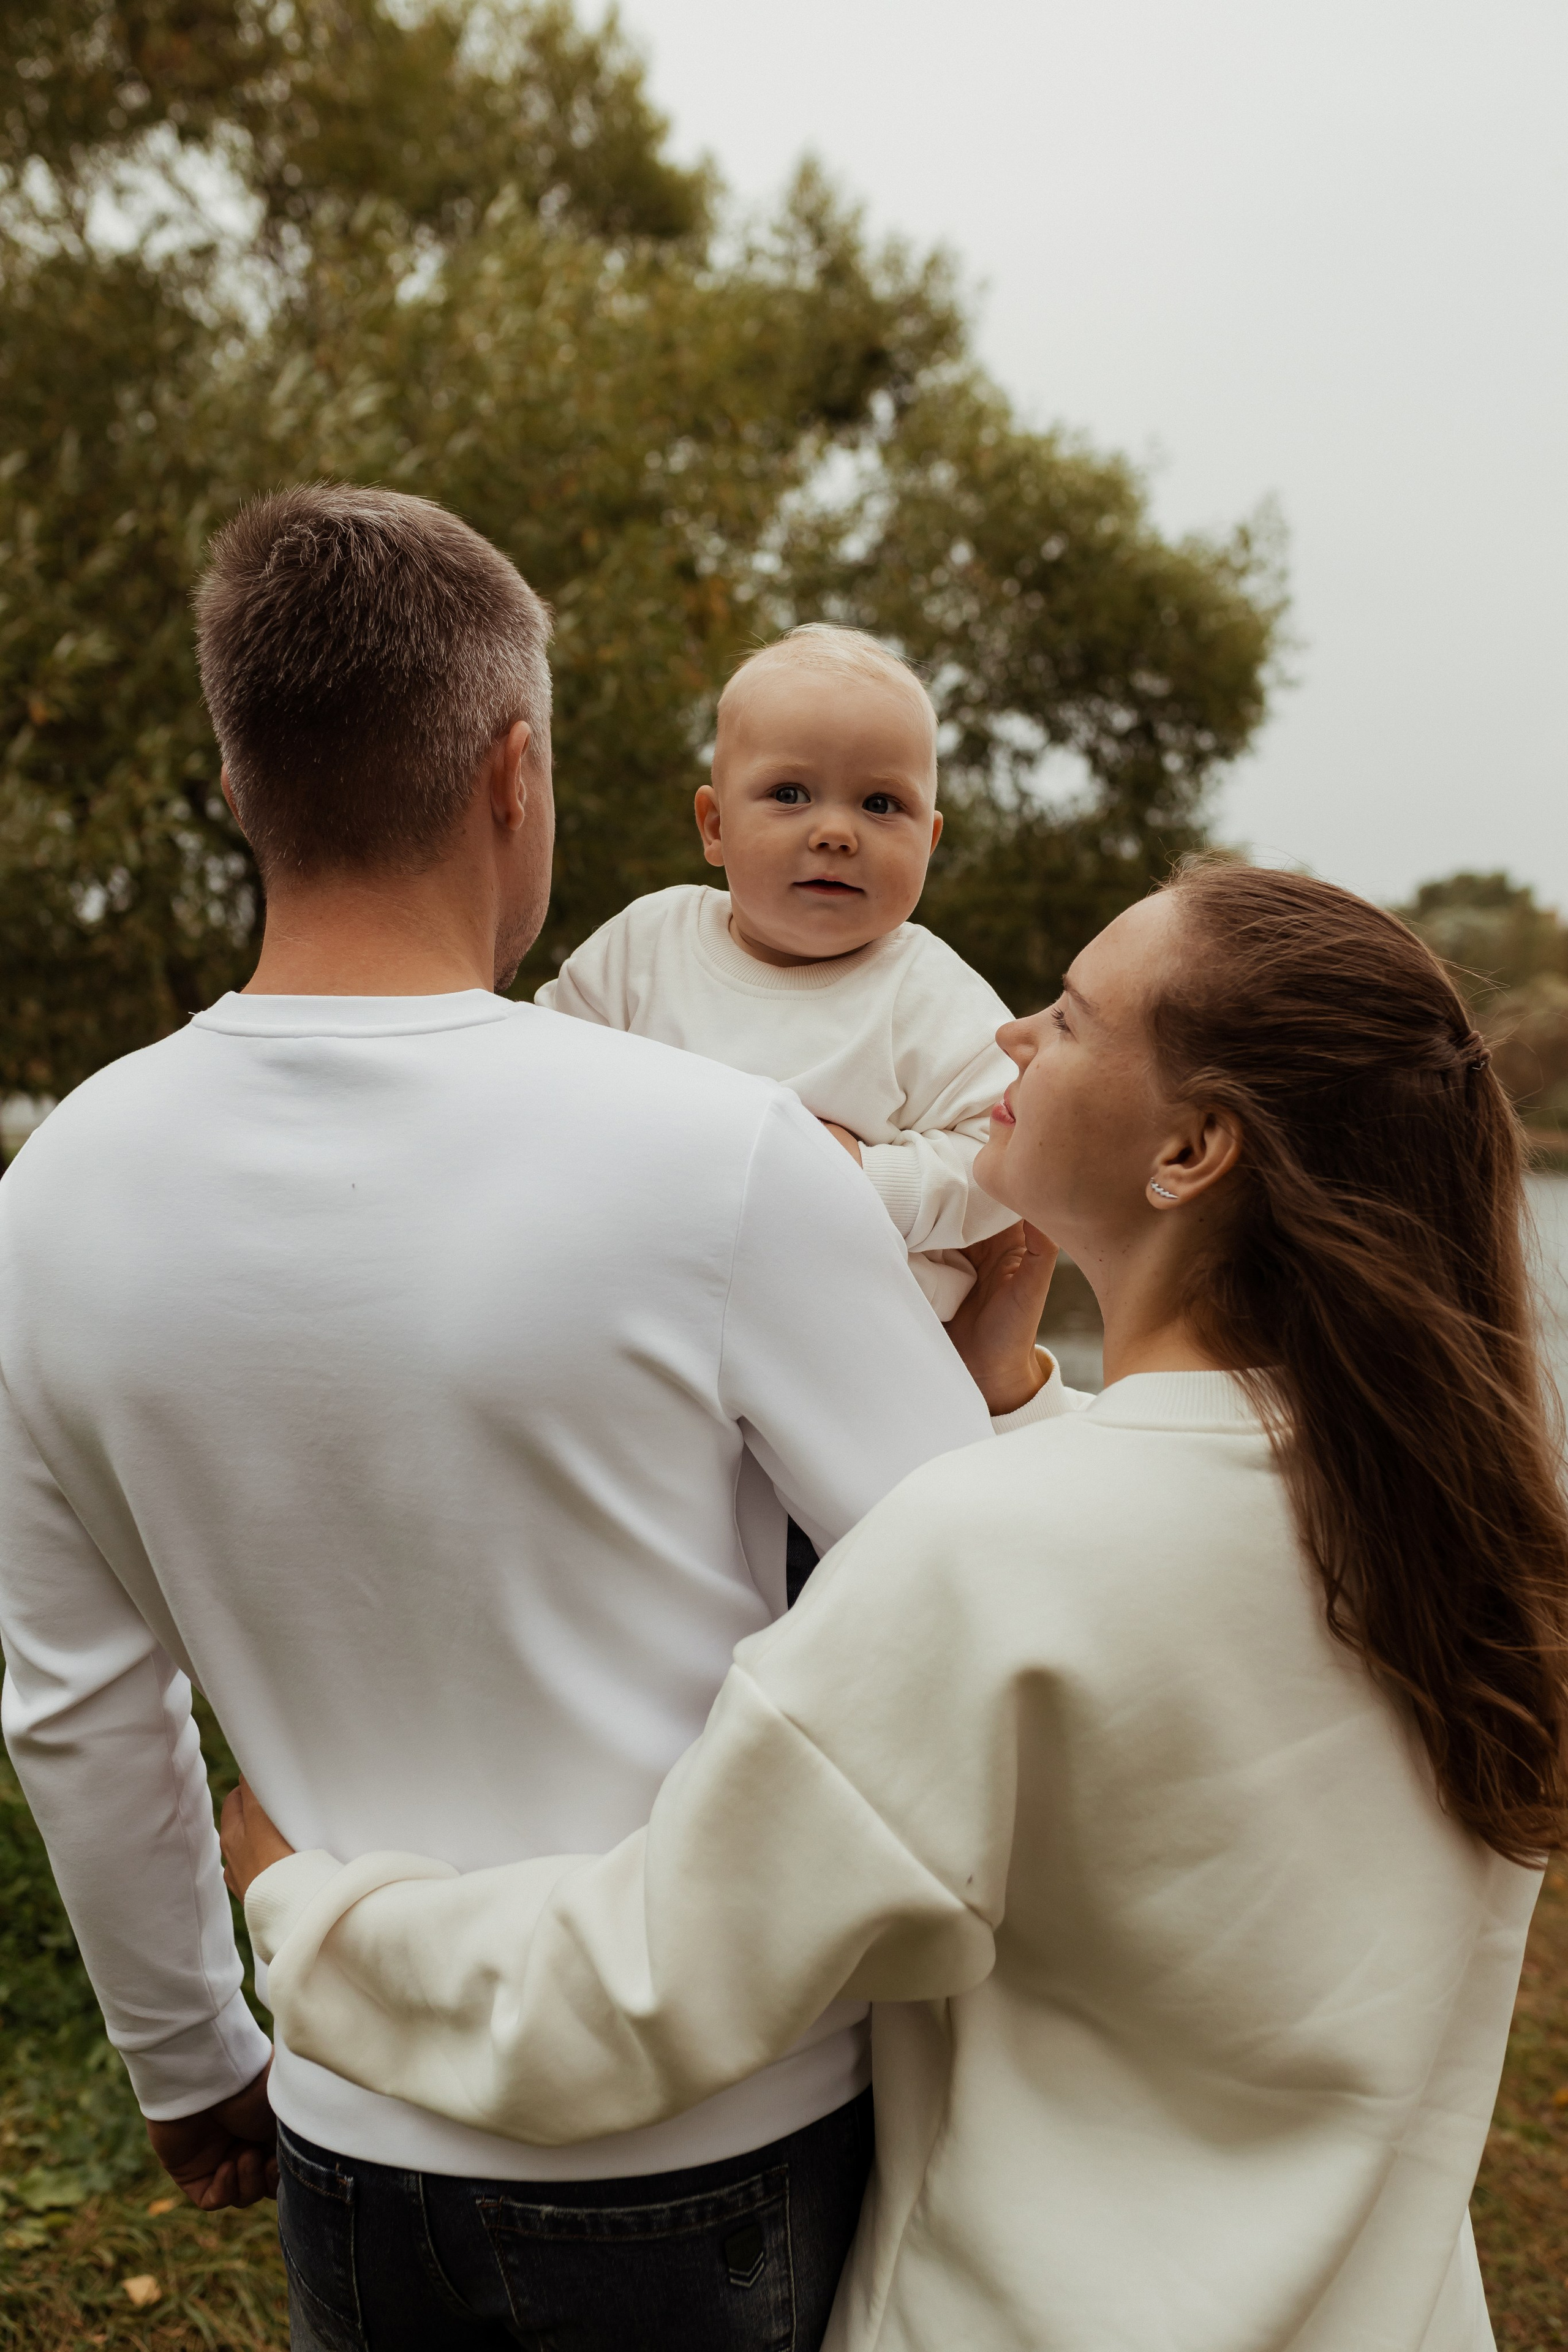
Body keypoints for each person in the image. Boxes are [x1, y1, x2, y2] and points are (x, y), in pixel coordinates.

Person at [231, 861, 1568, 2351]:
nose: (1007, 1036)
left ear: (1189, 1148)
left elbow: (637, 1995)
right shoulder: (1456, 1529)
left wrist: (304, 1906)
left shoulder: (991, 1556)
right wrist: (1007, 1395)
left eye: (1069, 1017)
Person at [0, 483, 1060, 2352]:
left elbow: (78, 1700)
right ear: (514, 774)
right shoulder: (726, 1154)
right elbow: (975, 1594)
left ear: (241, 787)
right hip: (712, 2129)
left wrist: (190, 2057)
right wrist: (1021, 1358)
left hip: (343, 2124)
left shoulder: (56, 1191)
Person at [537, 624, 1017, 1323]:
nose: (836, 833)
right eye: (790, 794)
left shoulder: (931, 992)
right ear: (715, 826)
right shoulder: (646, 944)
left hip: (850, 1331)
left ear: (930, 842)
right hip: (646, 1303)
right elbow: (541, 1080)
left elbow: (1009, 1154)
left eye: (881, 804)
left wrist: (869, 1180)